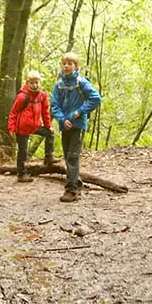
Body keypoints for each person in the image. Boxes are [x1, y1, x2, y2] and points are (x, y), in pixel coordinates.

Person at [49, 52, 102, 202]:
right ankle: (76, 181)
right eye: (64, 63)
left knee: (72, 156)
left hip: (78, 125)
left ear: (76, 66)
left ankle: (71, 190)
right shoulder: (59, 84)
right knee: (67, 156)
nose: (66, 66)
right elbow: (54, 105)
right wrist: (62, 119)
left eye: (70, 64)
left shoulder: (81, 82)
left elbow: (95, 98)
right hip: (64, 125)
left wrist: (79, 112)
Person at [7, 70, 55, 182]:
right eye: (32, 83)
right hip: (22, 128)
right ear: (27, 83)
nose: (35, 85)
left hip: (35, 126)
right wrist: (11, 127)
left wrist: (48, 126)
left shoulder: (42, 96)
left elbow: (45, 112)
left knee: (50, 133)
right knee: (22, 151)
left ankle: (48, 157)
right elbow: (13, 112)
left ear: (40, 82)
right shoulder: (22, 97)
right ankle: (21, 173)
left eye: (37, 82)